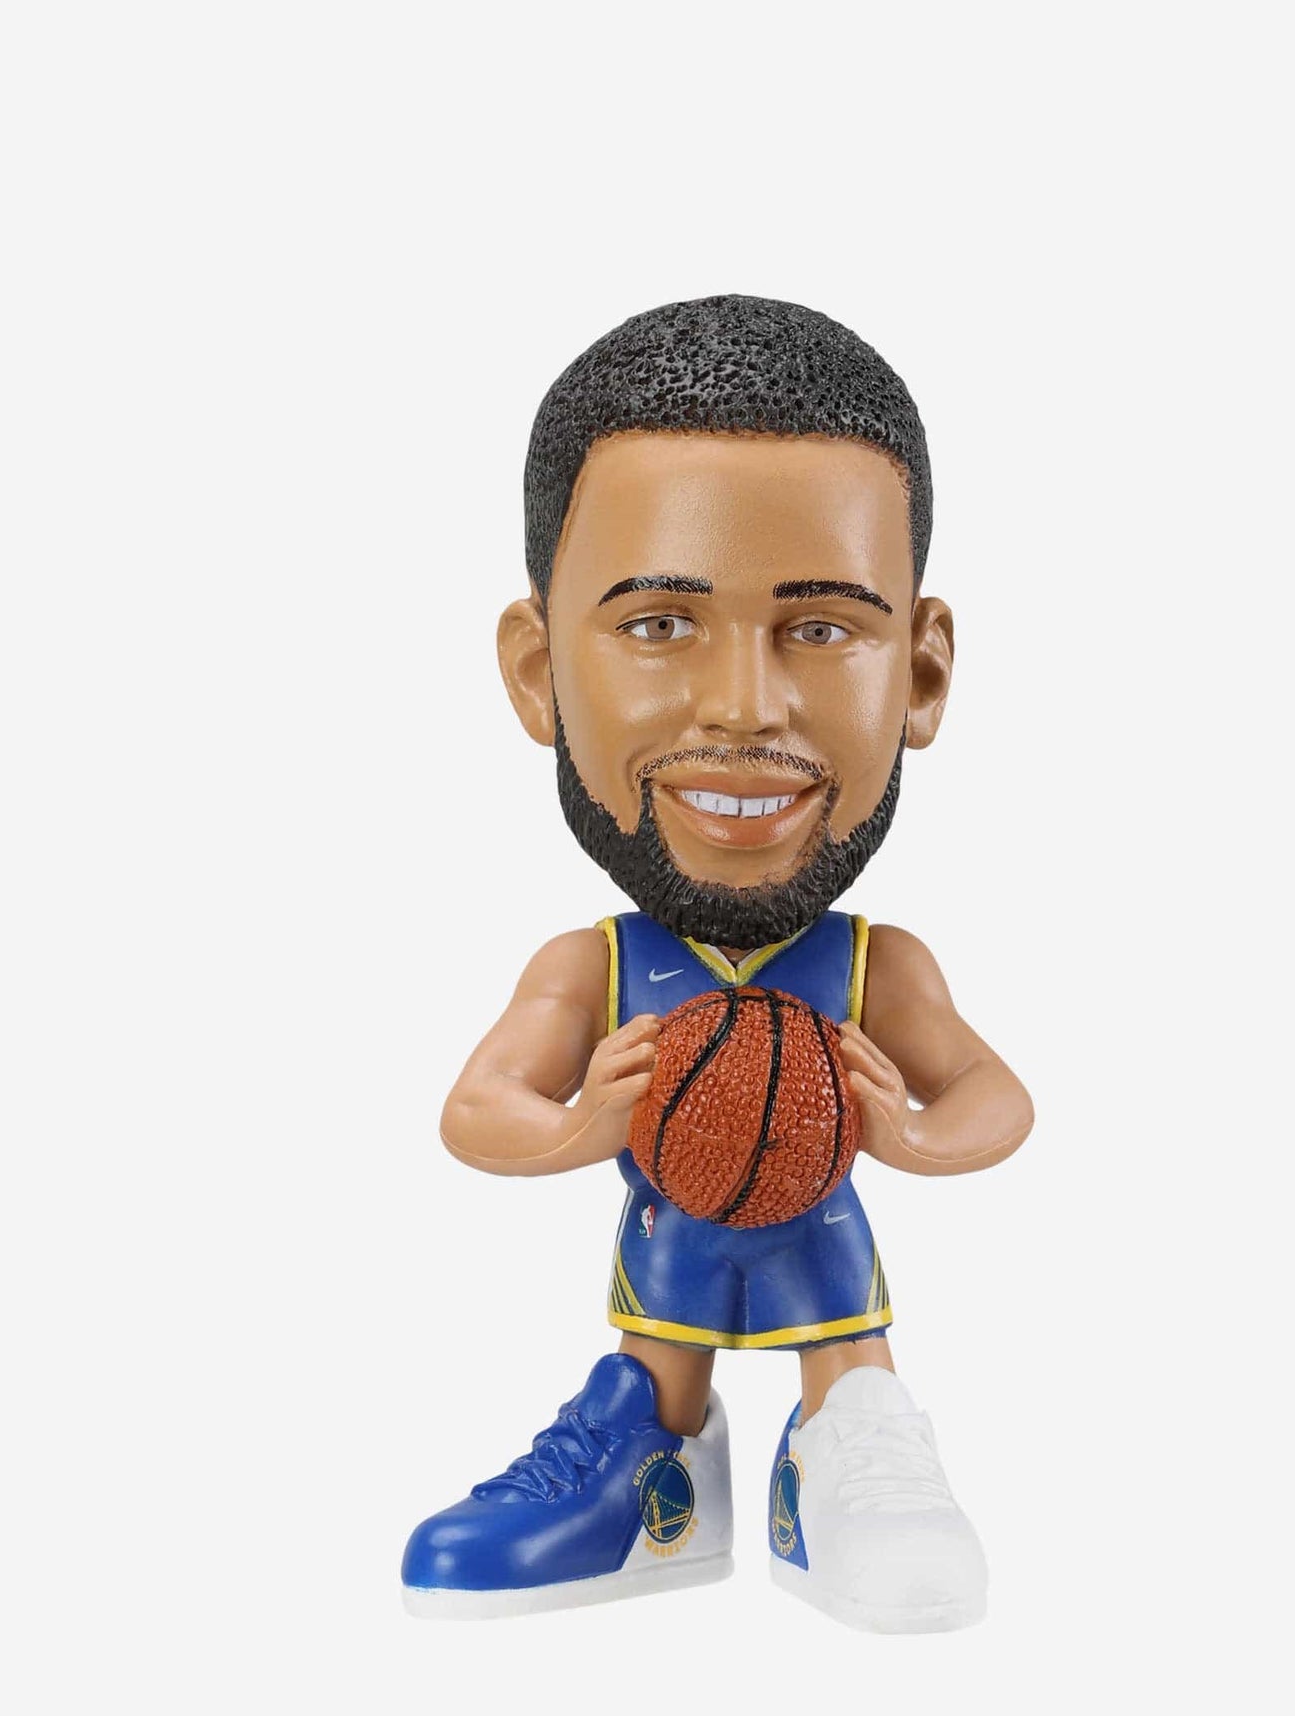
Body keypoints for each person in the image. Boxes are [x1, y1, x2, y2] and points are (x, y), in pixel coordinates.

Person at [400, 295, 1034, 1633]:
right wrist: (583, 1124)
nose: (744, 704)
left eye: (823, 628)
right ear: (538, 673)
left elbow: (997, 1094)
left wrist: (915, 1135)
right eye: (657, 625)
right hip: (673, 1240)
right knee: (657, 1356)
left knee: (848, 1347)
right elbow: (474, 1109)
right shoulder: (594, 967)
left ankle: (850, 1443)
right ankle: (655, 1462)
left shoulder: (874, 968)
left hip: (823, 1244)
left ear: (921, 677)